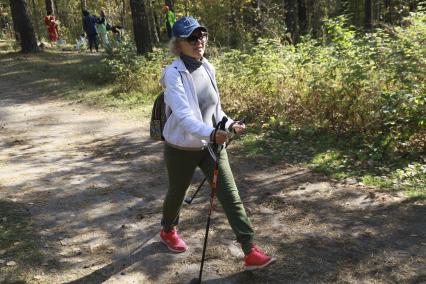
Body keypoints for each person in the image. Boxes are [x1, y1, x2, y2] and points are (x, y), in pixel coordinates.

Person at [159, 16, 276, 270]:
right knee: (177, 194)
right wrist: (212, 133)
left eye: (202, 35)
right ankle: (168, 230)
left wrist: (229, 124)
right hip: (181, 148)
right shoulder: (173, 74)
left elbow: (216, 111)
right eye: (191, 37)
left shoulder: (207, 67)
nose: (198, 41)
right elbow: (185, 116)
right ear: (178, 43)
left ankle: (249, 250)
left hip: (211, 146)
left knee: (230, 195)